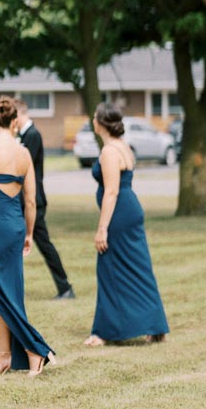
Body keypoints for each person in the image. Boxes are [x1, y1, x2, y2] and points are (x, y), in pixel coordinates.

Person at [0, 95, 55, 376]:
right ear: (14, 121)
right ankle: (4, 356)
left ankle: (33, 350)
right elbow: (31, 201)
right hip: (15, 226)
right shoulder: (24, 153)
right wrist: (28, 232)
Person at [85, 103, 169, 348]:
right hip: (129, 209)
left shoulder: (110, 151)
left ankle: (105, 331)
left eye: (93, 117)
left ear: (100, 123)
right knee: (138, 268)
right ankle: (155, 325)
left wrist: (102, 228)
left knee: (109, 267)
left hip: (119, 214)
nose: (92, 121)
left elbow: (111, 191)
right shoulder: (124, 147)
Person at [14, 97, 75, 300]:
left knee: (44, 244)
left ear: (20, 114)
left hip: (34, 200)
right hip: (21, 200)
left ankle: (65, 287)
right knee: (7, 244)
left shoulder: (32, 136)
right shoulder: (21, 135)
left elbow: (23, 167)